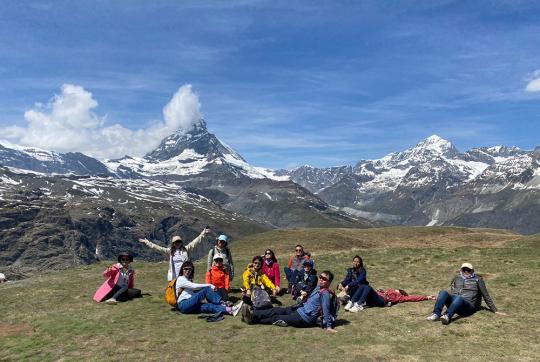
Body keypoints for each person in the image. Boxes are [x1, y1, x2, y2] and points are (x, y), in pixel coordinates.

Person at [240, 270, 337, 332]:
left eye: (324, 279)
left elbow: (326, 309)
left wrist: (329, 326)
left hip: (304, 318)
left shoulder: (325, 294)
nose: (320, 279)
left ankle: (252, 319)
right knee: (276, 310)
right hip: (300, 309)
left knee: (277, 317)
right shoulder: (318, 287)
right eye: (320, 277)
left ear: (329, 282)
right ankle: (253, 313)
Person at [426, 262, 507, 325]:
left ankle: (447, 316)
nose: (466, 271)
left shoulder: (478, 280)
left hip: (468, 306)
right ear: (461, 270)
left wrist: (495, 310)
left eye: (468, 270)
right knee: (443, 292)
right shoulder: (457, 278)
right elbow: (452, 290)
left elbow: (486, 295)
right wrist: (442, 298)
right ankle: (436, 314)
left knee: (459, 298)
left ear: (472, 271)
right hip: (456, 303)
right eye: (464, 269)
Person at [138, 227, 213, 281]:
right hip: (174, 276)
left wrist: (203, 233)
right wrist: (147, 242)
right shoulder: (169, 251)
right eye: (176, 242)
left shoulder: (186, 249)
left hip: (185, 274)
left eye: (179, 242)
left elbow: (196, 241)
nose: (178, 243)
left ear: (181, 242)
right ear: (173, 243)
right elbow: (157, 248)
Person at [176, 261, 241, 316]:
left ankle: (231, 310)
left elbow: (195, 290)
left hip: (187, 308)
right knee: (206, 289)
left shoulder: (188, 280)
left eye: (190, 269)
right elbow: (194, 286)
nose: (187, 271)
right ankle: (222, 303)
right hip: (184, 304)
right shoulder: (181, 279)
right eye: (185, 269)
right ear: (182, 269)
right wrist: (210, 285)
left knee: (209, 306)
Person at [344, 284, 435, 312]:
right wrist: (381, 291)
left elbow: (412, 298)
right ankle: (351, 302)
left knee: (367, 287)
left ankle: (358, 305)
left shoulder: (400, 296)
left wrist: (426, 297)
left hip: (382, 301)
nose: (396, 289)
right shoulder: (387, 291)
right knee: (363, 286)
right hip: (376, 297)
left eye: (398, 289)